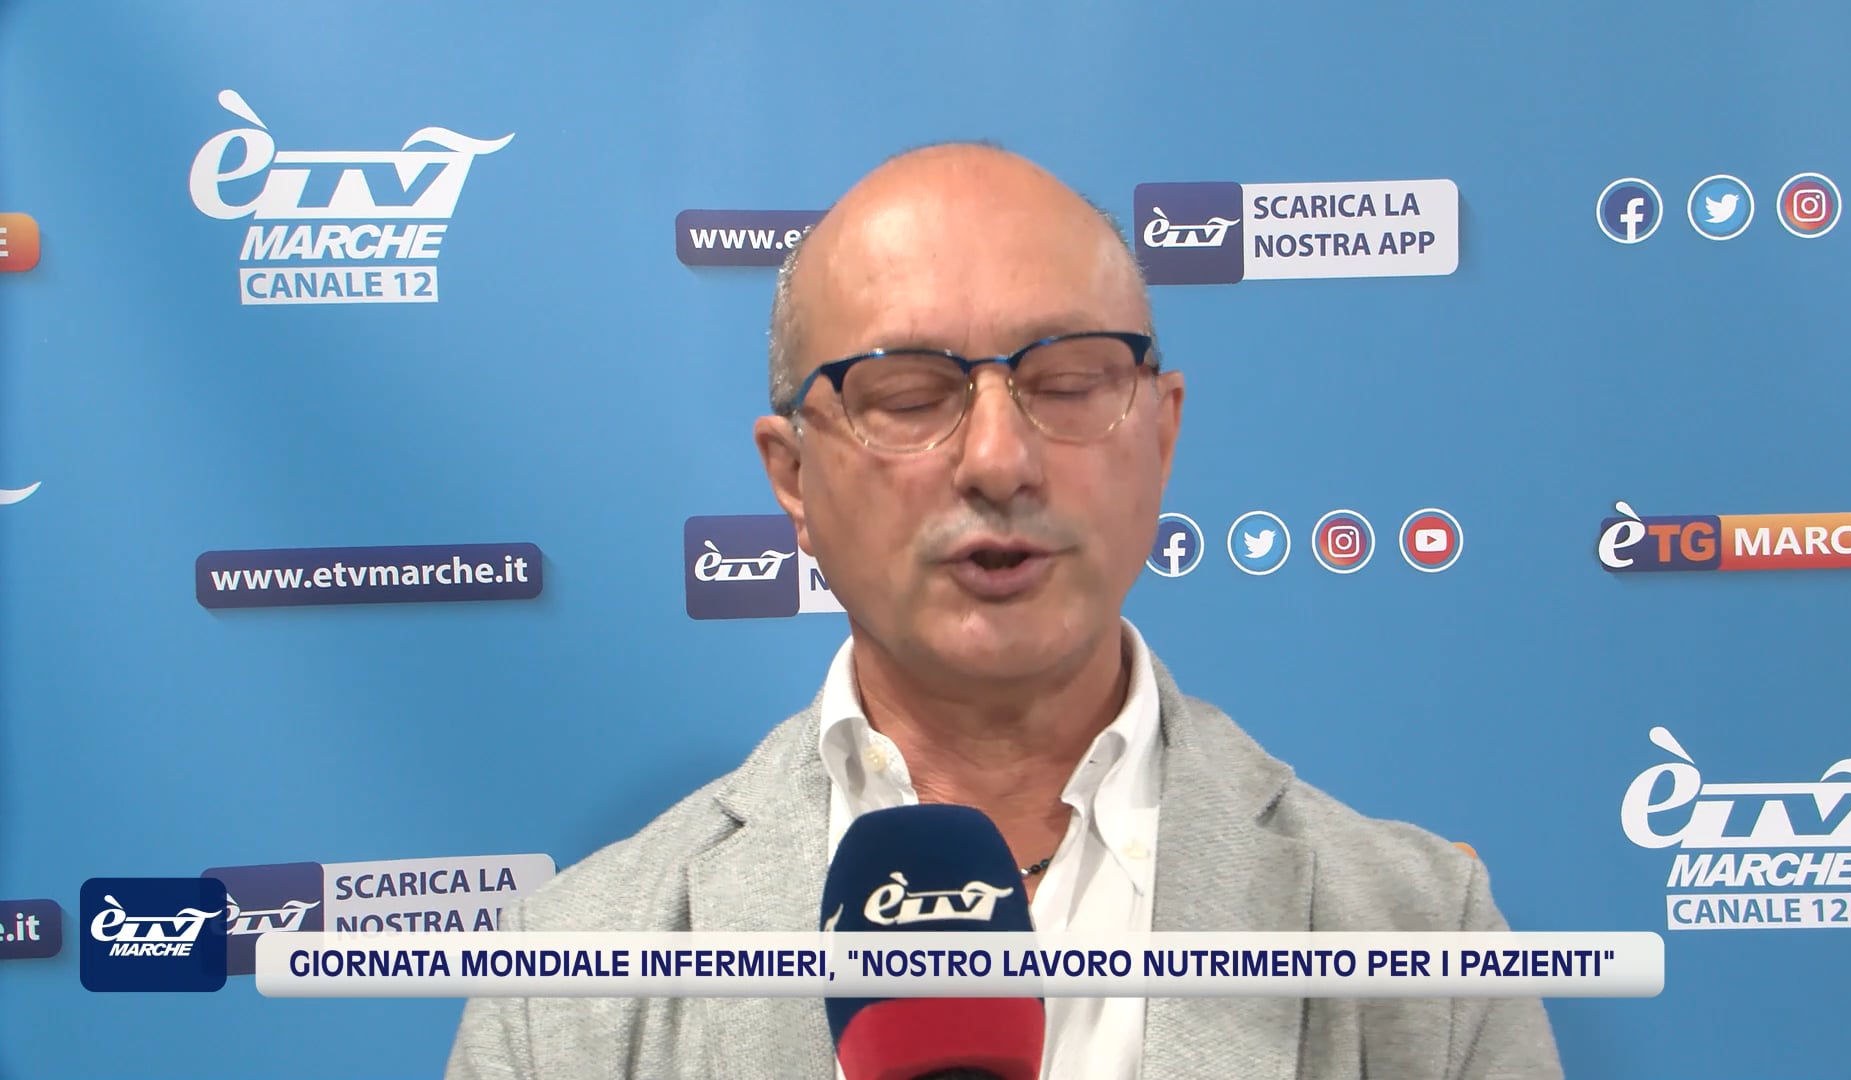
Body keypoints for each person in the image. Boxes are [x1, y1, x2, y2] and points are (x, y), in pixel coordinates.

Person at [445, 143, 1563, 1079]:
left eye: (1069, 383)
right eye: (909, 396)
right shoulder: (566, 989)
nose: (998, 458)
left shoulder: (1429, 948)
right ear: (792, 478)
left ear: (1163, 433)